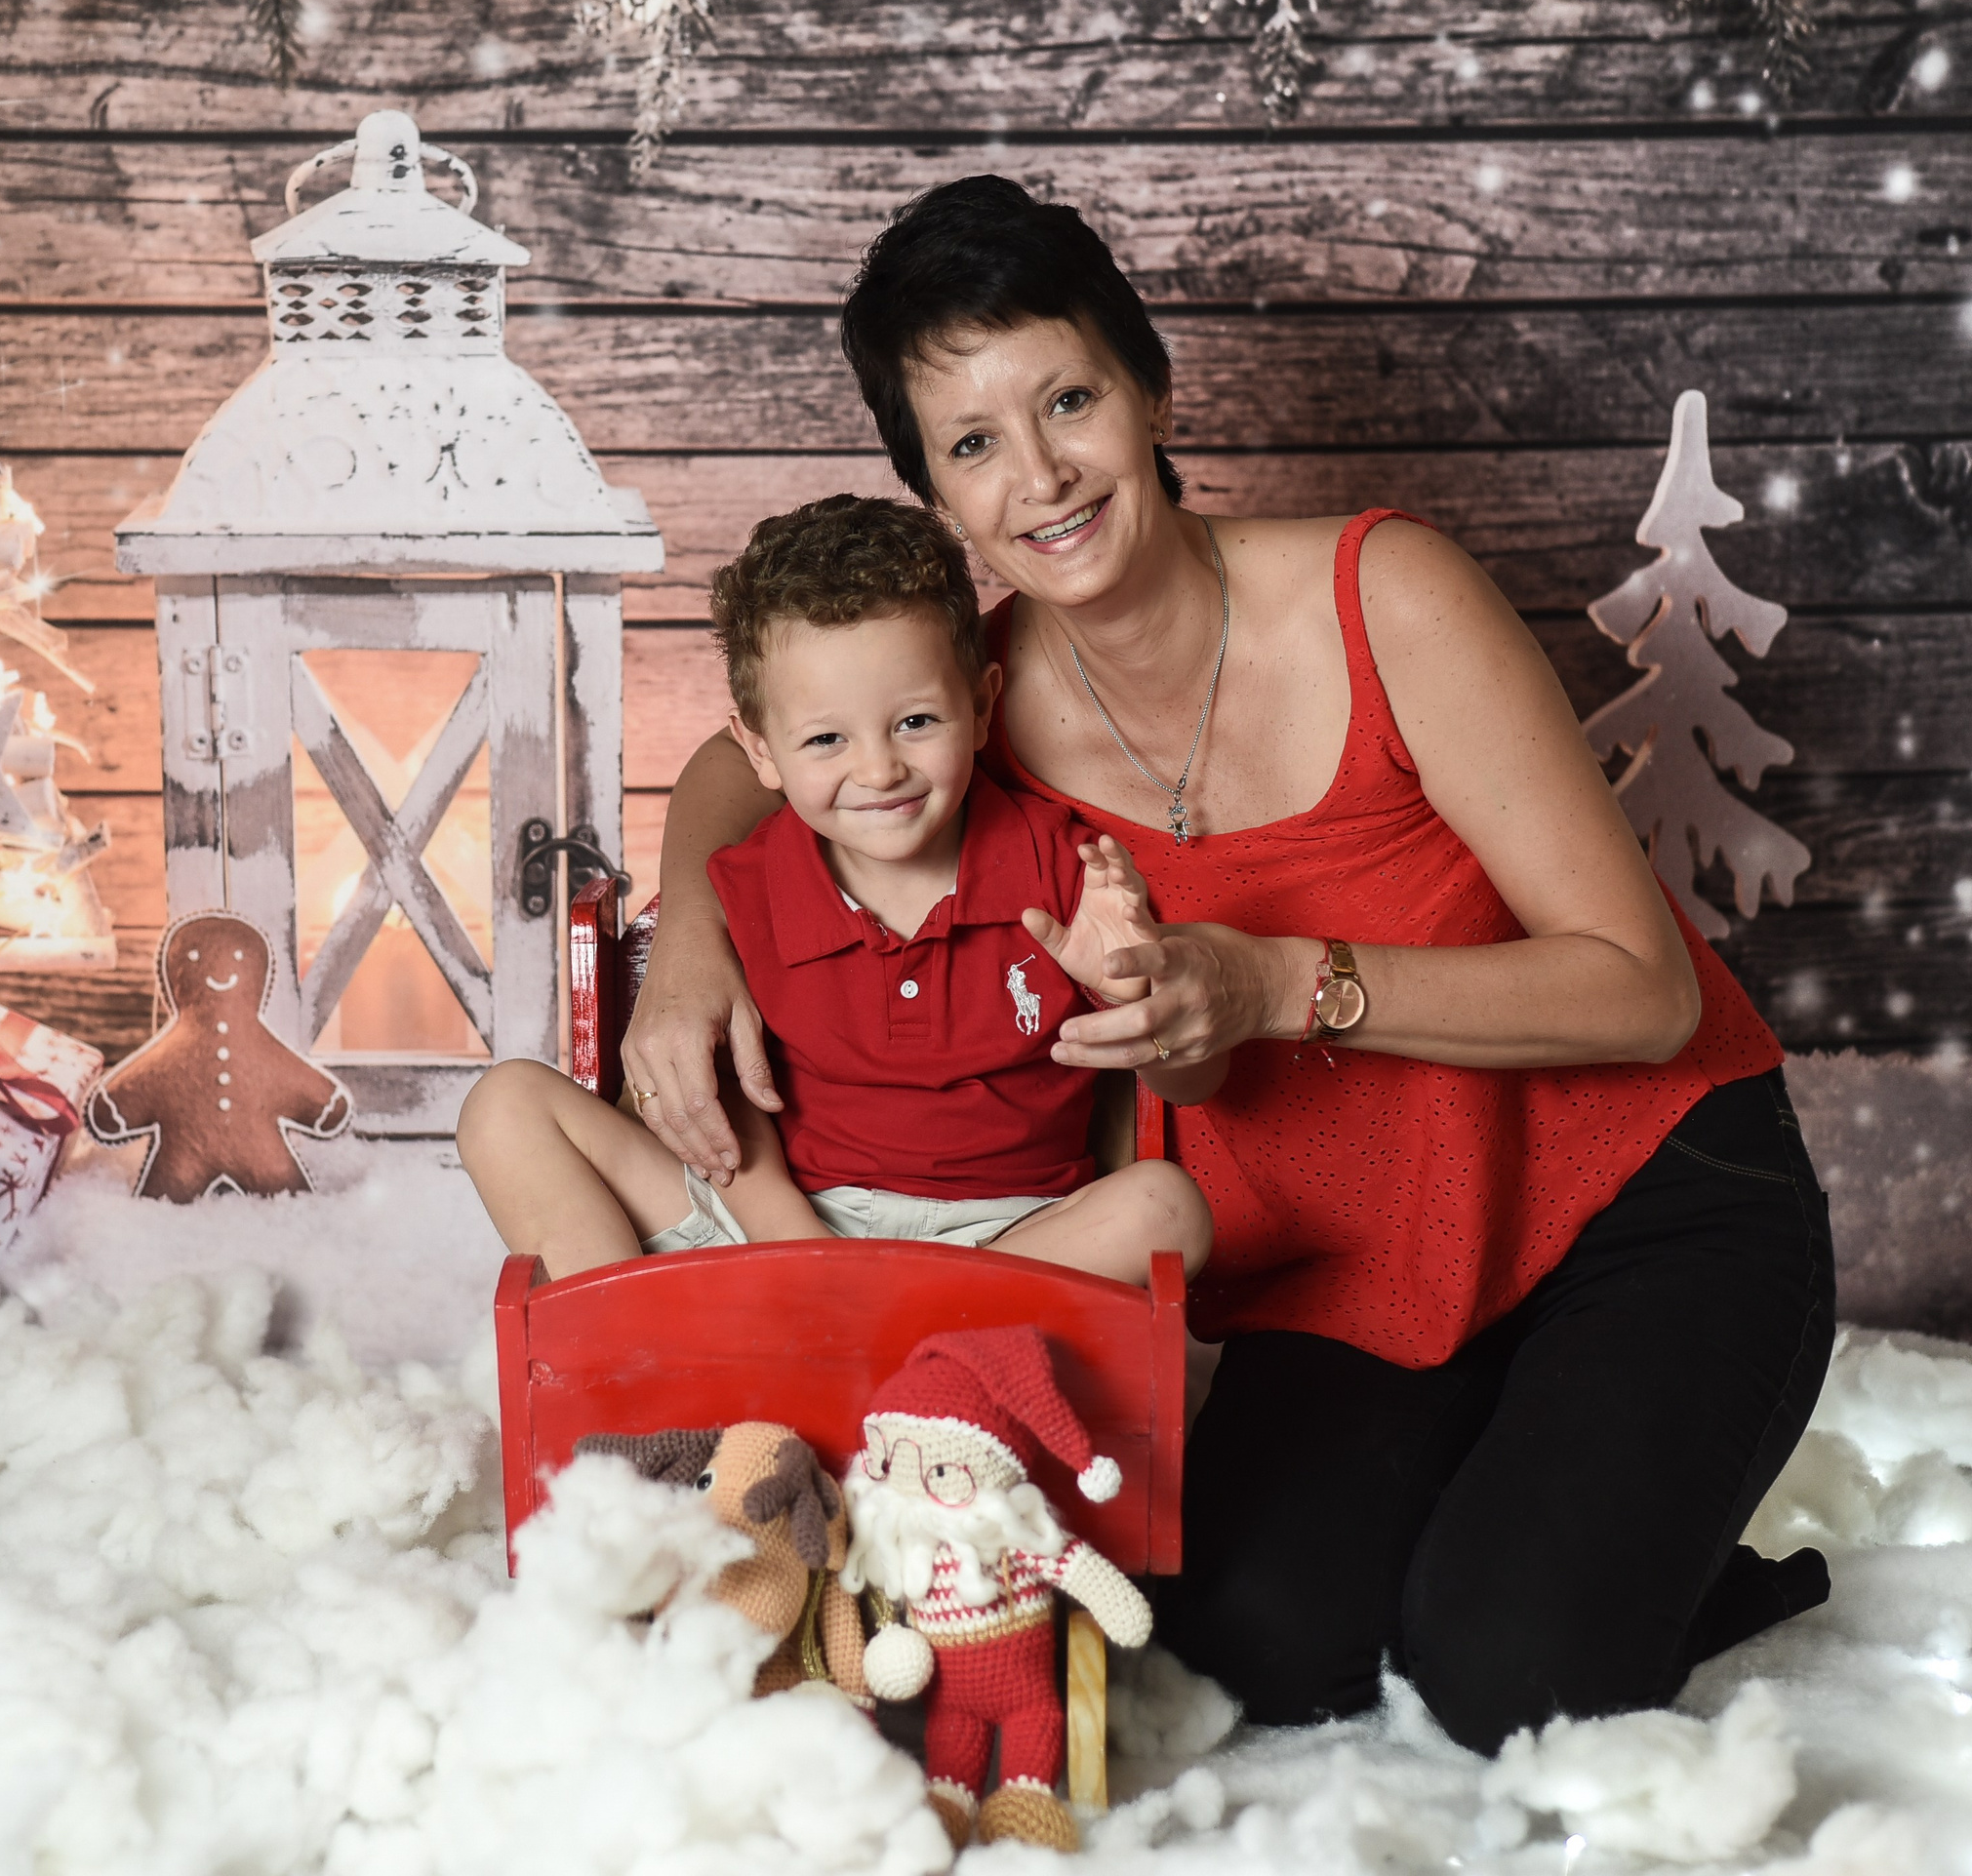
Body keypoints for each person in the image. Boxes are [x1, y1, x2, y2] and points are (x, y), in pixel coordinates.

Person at [619, 175, 1834, 1756]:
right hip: (1363, 1276)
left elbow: (1640, 987)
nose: (1040, 473)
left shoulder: (1380, 592)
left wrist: (1279, 984)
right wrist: (690, 943)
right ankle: (1537, 1500)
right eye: (972, 444)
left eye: (1069, 399)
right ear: (933, 491)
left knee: (1508, 1675)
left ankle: (1651, 1550)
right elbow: (740, 761)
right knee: (1253, 1641)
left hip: (1649, 1204)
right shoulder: (957, 705)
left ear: (1152, 391)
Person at [459, 495, 1215, 1288]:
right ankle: (629, 1374)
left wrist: (1136, 992)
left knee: (1169, 1209)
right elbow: (721, 1095)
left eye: (916, 722)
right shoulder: (746, 883)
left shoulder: (1068, 870)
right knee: (505, 1107)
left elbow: (1189, 1084)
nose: (880, 770)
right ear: (760, 751)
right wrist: (797, 1247)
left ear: (983, 704)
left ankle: (872, 1352)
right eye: (825, 739)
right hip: (776, 1229)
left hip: (1001, 1249)